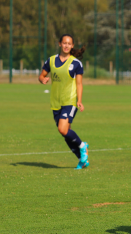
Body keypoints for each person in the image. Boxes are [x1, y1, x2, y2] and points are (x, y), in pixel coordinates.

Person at [38, 34, 89, 170]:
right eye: (64, 43)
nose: (66, 45)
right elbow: (42, 75)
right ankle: (82, 159)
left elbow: (79, 84)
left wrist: (79, 100)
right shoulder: (51, 60)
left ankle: (83, 146)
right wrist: (42, 79)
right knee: (66, 132)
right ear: (60, 44)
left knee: (62, 129)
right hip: (56, 102)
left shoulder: (76, 63)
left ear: (72, 46)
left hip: (70, 100)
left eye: (69, 43)